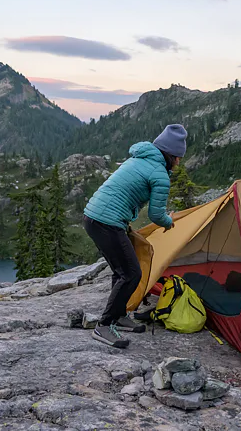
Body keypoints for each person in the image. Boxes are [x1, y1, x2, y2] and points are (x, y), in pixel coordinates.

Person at [83, 124, 187, 348]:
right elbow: (156, 215)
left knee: (121, 271)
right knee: (131, 273)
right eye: (178, 157)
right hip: (106, 223)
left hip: (93, 217)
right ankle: (104, 325)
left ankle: (119, 315)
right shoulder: (159, 174)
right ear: (170, 155)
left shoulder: (138, 159)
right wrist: (169, 221)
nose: (179, 163)